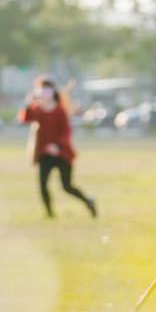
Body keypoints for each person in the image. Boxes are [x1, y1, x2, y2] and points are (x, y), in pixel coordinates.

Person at [18, 76, 97, 219]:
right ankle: (50, 214)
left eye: (47, 90)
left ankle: (88, 201)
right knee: (43, 185)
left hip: (62, 154)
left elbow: (66, 132)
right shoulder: (37, 109)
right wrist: (28, 103)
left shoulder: (60, 111)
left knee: (67, 186)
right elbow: (24, 118)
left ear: (52, 92)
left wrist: (57, 145)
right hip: (44, 154)